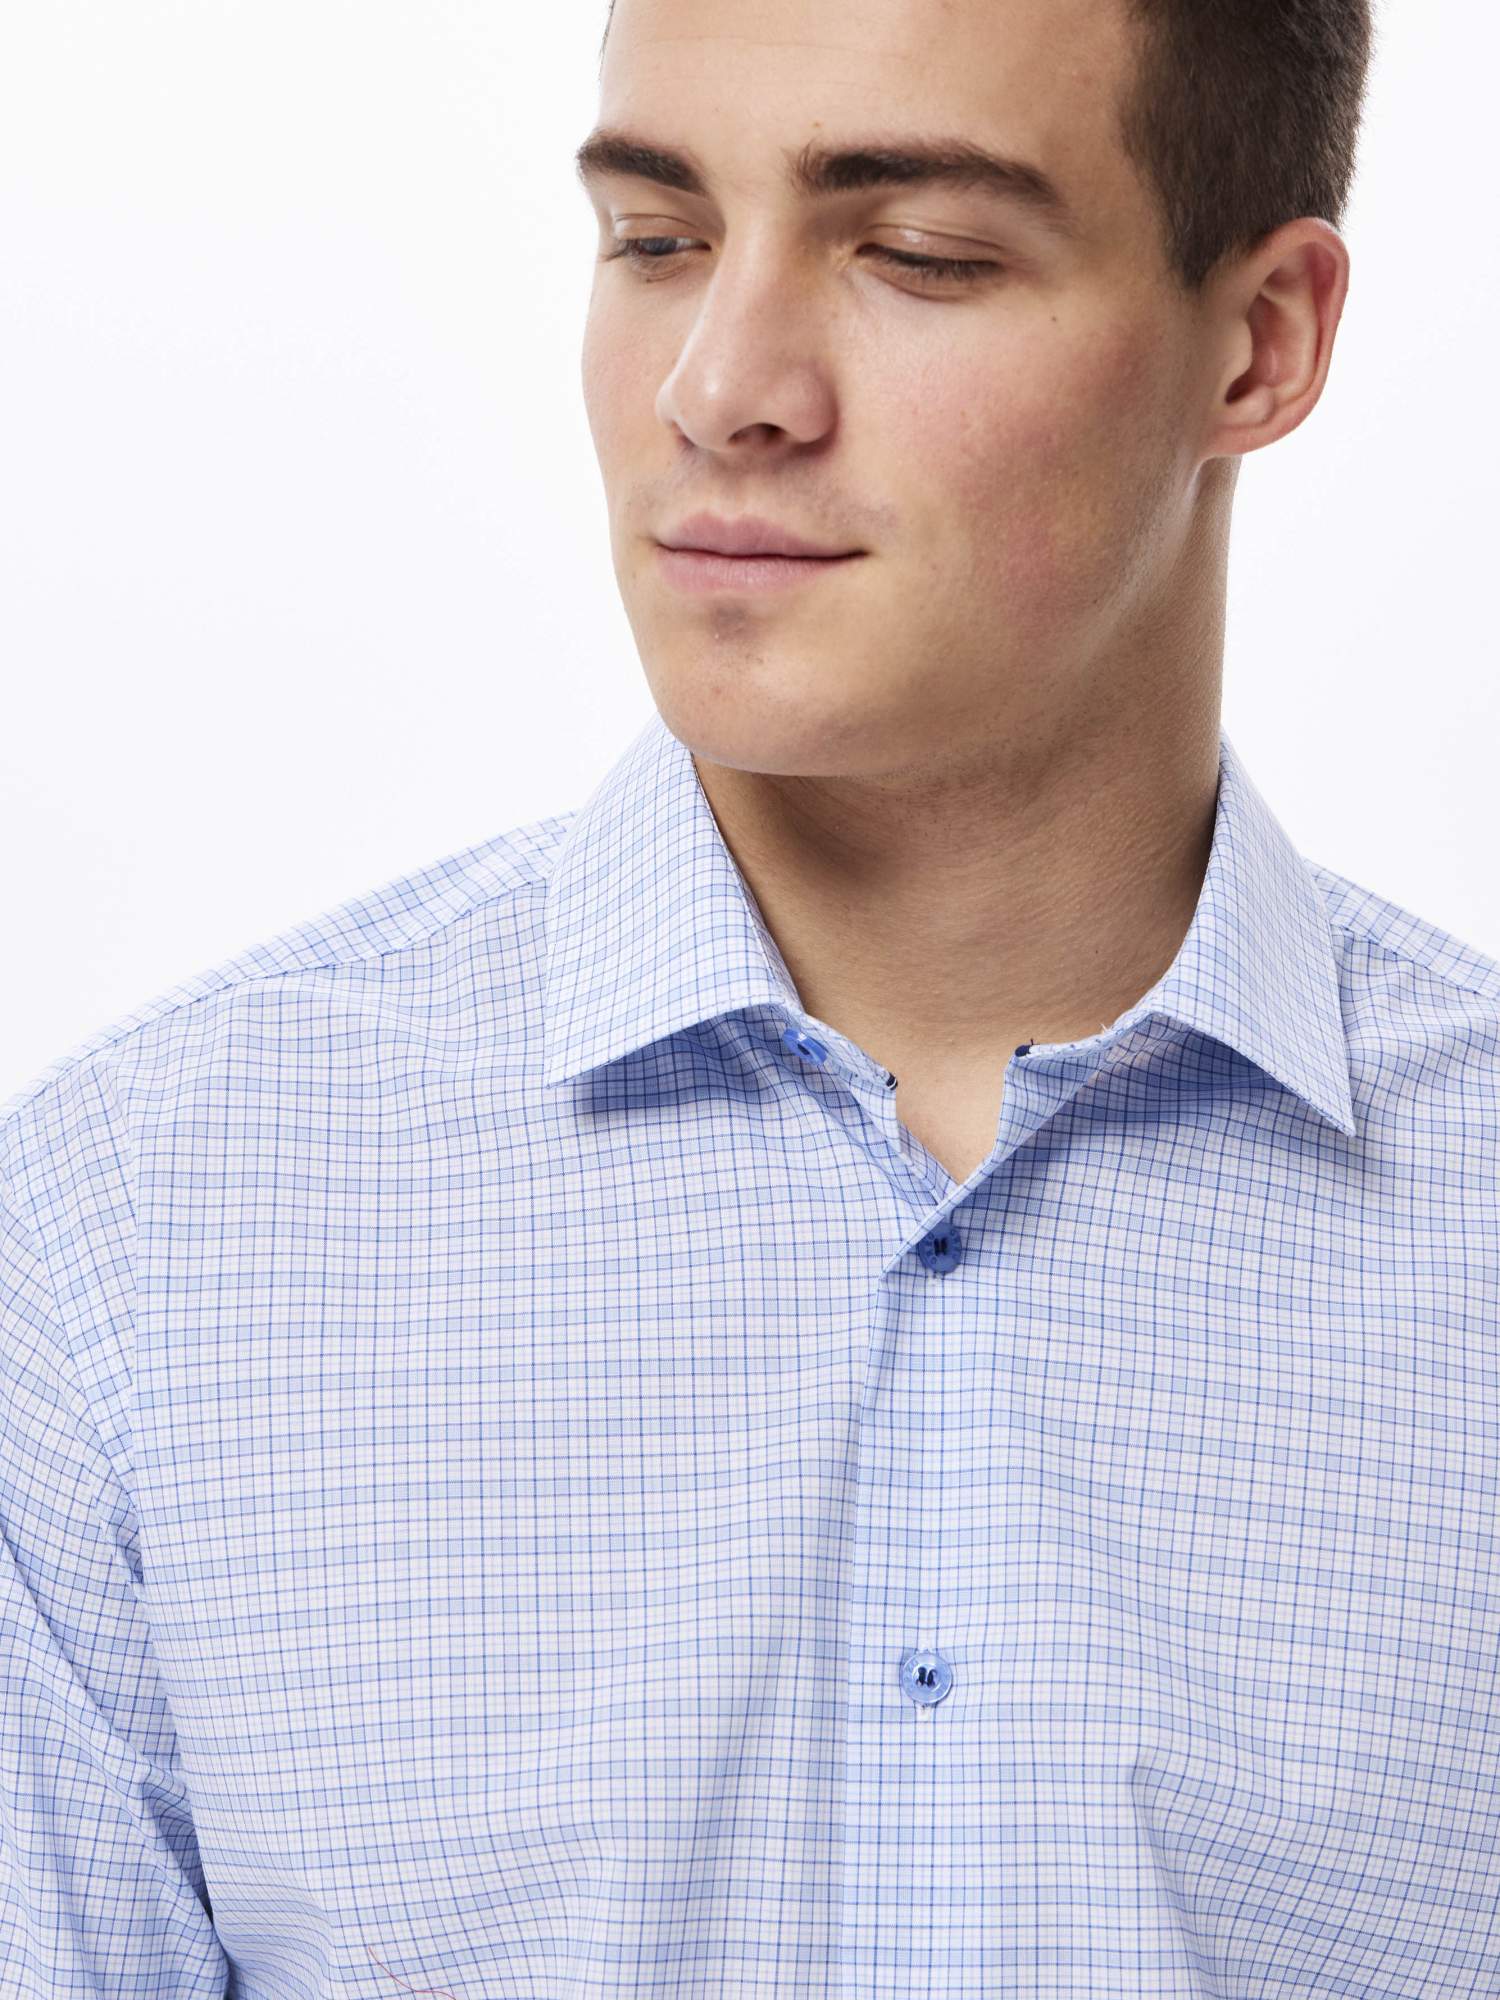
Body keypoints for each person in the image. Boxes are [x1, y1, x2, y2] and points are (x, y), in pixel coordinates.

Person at [4, 0, 1498, 1994]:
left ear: (1263, 342)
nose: (717, 389)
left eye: (920, 255)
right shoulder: (129, 1244)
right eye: (659, 238)